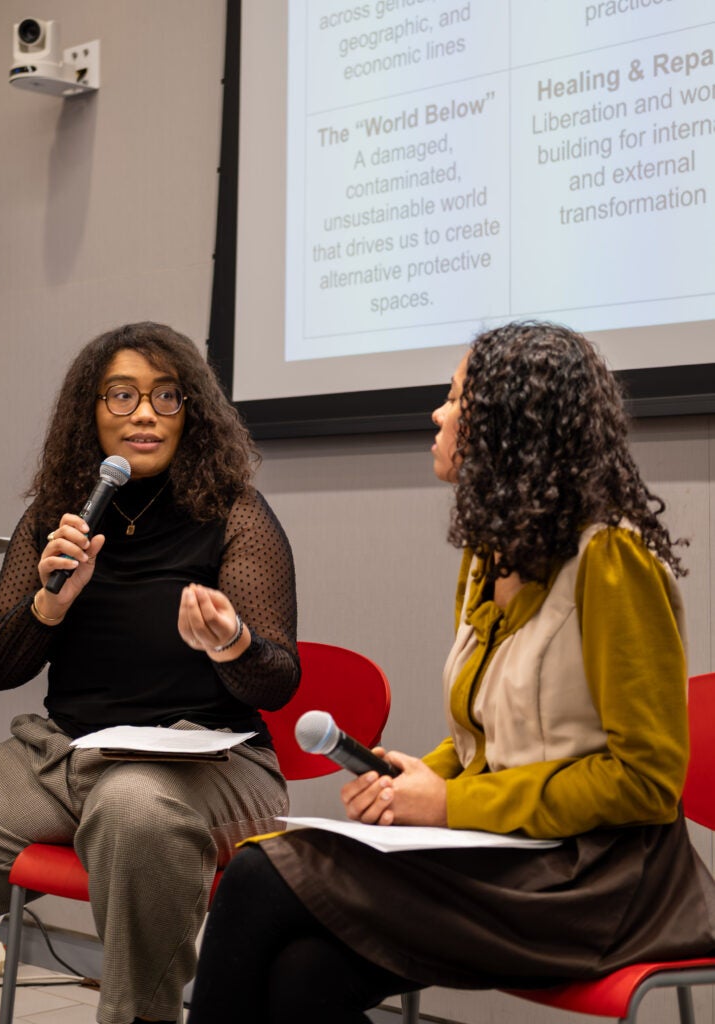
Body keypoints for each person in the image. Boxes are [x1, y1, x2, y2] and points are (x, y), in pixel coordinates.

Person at [187, 320, 715, 1024]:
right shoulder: (491, 553)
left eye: (455, 397)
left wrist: (447, 804)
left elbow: (646, 784)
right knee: (304, 976)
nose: (436, 413)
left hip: (597, 882)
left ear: (508, 424)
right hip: (508, 852)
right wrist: (418, 777)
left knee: (259, 873)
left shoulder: (611, 562)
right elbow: (488, 740)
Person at [0, 322, 300, 1024]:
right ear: (91, 412)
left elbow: (276, 682)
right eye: (121, 395)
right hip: (65, 755)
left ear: (191, 414)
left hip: (210, 763)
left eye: (165, 396)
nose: (143, 413)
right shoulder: (57, 520)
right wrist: (49, 604)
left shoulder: (233, 513)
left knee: (133, 810)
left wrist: (233, 642)